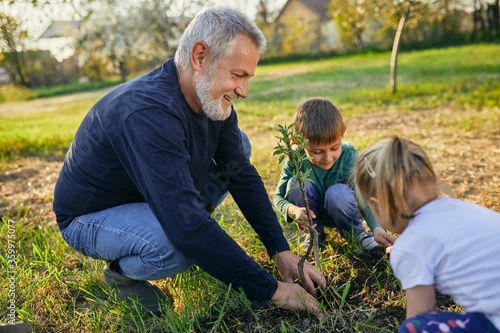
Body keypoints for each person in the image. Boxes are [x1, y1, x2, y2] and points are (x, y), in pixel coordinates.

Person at [52, 7, 325, 315]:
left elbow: (242, 175)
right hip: (90, 217)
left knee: (240, 149)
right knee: (178, 244)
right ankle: (121, 276)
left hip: (148, 197)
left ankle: (197, 238)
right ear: (199, 57)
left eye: (248, 77)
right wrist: (273, 291)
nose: (244, 91)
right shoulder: (149, 114)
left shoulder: (210, 101)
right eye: (237, 75)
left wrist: (280, 249)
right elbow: (185, 227)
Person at [355, 136, 500, 333]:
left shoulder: (409, 248)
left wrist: (406, 253)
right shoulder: (461, 209)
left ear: (378, 204)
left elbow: (421, 313)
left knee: (413, 328)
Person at [273, 98, 396, 250]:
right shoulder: (295, 159)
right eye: (317, 152)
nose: (328, 157)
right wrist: (293, 210)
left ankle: (355, 235)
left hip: (343, 208)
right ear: (298, 141)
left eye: (334, 148)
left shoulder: (349, 157)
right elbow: (278, 197)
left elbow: (365, 197)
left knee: (337, 193)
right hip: (312, 215)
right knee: (296, 184)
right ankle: (314, 236)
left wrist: (377, 228)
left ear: (343, 132)